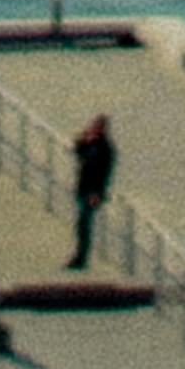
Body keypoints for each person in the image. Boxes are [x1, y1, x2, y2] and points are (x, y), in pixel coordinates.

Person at [65, 115, 118, 271]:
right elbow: (78, 152)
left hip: (92, 190)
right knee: (81, 224)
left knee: (84, 223)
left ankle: (81, 258)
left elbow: (105, 173)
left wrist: (98, 193)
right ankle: (79, 256)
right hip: (83, 187)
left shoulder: (105, 148)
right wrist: (83, 140)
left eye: (98, 126)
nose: (94, 128)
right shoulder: (91, 143)